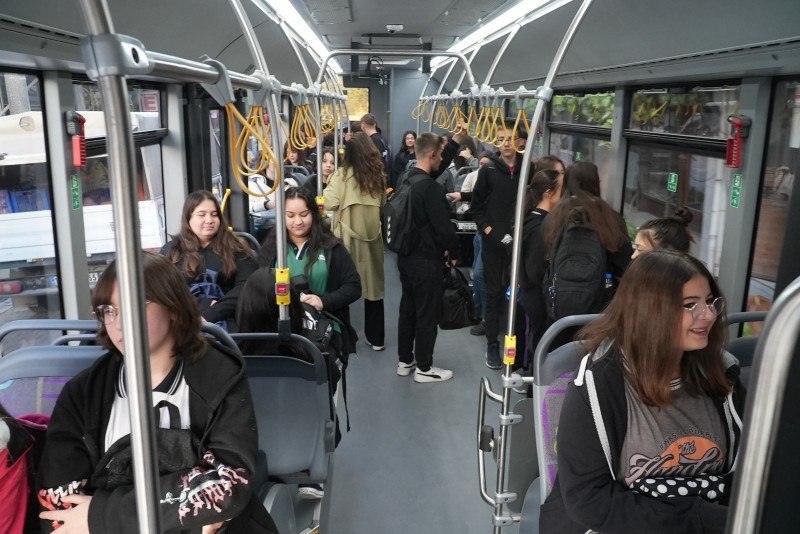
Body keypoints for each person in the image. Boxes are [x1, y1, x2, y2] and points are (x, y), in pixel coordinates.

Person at [38, 251, 277, 533]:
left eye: (133, 306)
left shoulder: (218, 377)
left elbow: (228, 484)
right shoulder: (83, 395)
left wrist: (103, 516)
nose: (118, 323)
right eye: (109, 311)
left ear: (173, 308)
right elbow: (60, 507)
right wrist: (187, 510)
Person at [540, 249, 745, 534]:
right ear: (650, 311)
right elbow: (588, 498)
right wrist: (697, 519)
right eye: (690, 305)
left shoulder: (722, 377)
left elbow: (746, 474)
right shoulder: (599, 386)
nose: (708, 314)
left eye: (710, 301)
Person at [257, 187, 362, 357]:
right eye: (290, 215)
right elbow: (258, 291)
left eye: (304, 214)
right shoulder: (270, 250)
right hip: (280, 324)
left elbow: (354, 287)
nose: (298, 221)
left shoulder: (332, 248)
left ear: (313, 214)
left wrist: (323, 301)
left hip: (324, 323)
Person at [396, 132, 461, 383]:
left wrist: (454, 142)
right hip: (426, 261)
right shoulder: (432, 189)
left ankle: (405, 361)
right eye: (441, 154)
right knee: (427, 314)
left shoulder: (406, 179)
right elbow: (445, 230)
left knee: (408, 310)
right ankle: (424, 367)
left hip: (405, 257)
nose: (442, 159)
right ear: (432, 154)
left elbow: (433, 170)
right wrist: (454, 253)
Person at [468, 118, 525, 369]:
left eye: (510, 139)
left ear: (520, 142)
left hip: (520, 242)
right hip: (493, 242)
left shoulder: (527, 169)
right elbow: (476, 208)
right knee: (493, 294)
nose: (505, 144)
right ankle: (493, 345)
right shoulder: (489, 170)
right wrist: (490, 231)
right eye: (501, 140)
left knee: (517, 295)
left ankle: (518, 347)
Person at [324, 132, 387, 351]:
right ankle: (377, 339)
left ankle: (344, 337)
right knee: (373, 289)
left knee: (342, 288)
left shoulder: (340, 176)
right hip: (372, 239)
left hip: (346, 239)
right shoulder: (378, 177)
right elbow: (383, 204)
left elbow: (329, 203)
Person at [161, 190, 257, 332]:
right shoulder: (172, 251)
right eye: (202, 215)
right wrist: (203, 305)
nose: (209, 220)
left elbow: (245, 287)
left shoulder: (237, 249)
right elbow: (164, 289)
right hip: (184, 319)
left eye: (214, 214)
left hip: (231, 319)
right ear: (188, 218)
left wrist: (211, 313)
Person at [446, 150, 493, 336]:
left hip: (488, 233)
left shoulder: (496, 183)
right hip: (480, 233)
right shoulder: (480, 181)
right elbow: (476, 196)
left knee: (480, 275)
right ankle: (477, 311)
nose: (484, 168)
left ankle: (485, 317)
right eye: (481, 164)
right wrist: (462, 196)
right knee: (476, 272)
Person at [520, 169, 563, 368]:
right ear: (549, 193)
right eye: (561, 190)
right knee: (539, 343)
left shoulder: (532, 219)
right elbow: (535, 269)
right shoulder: (541, 227)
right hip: (537, 295)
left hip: (532, 293)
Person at [359, 113, 390, 182]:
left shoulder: (371, 141)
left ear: (363, 125)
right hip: (385, 177)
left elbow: (373, 162)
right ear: (375, 124)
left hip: (375, 180)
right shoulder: (382, 138)